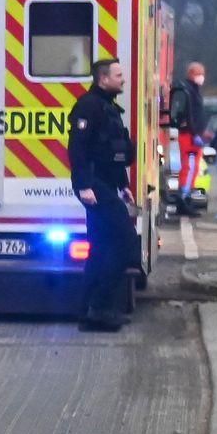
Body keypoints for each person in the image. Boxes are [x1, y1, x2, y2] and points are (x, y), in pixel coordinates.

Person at [68, 59, 137, 332]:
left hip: (107, 185)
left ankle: (89, 313)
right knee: (125, 242)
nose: (124, 79)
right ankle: (100, 305)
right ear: (103, 79)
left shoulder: (108, 107)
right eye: (119, 75)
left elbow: (112, 153)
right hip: (94, 186)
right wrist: (84, 185)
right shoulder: (88, 105)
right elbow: (78, 148)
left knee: (99, 249)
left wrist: (124, 185)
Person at [170, 62, 208, 215]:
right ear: (192, 74)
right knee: (190, 167)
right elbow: (190, 114)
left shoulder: (192, 90)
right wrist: (195, 133)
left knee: (193, 167)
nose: (201, 77)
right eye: (199, 74)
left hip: (192, 135)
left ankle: (186, 197)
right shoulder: (188, 91)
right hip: (190, 136)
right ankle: (183, 198)